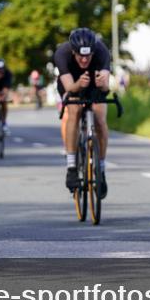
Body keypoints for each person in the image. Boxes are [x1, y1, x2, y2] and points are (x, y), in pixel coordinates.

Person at [54, 27, 111, 199]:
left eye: (88, 55)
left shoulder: (102, 52)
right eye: (80, 56)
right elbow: (70, 87)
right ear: (73, 51)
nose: (85, 59)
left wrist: (103, 84)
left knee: (100, 118)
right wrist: (79, 84)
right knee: (74, 110)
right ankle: (71, 167)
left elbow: (107, 87)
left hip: (94, 84)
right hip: (71, 82)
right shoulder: (62, 54)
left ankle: (100, 169)